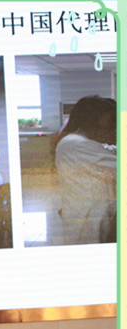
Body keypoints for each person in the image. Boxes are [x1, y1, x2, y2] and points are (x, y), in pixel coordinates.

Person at [54, 95, 116, 244]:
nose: (110, 128)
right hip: (88, 217)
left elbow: (109, 150)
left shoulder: (79, 141)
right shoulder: (77, 144)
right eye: (108, 123)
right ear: (93, 120)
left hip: (94, 213)